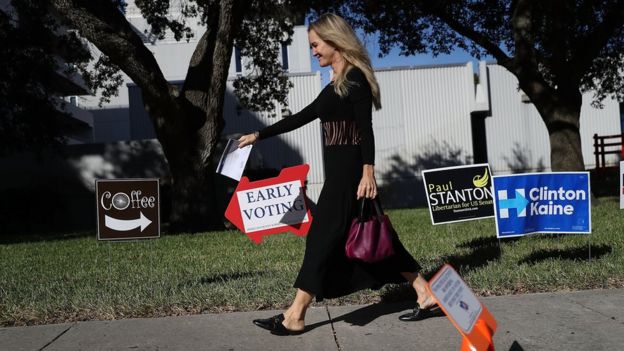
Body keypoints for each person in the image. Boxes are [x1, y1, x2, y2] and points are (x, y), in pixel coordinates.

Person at [237, 13, 440, 335]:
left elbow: (366, 130)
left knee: (321, 238)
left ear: (334, 41)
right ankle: (425, 293)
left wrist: (368, 172)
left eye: (316, 45)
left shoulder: (355, 78)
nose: (314, 51)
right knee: (377, 237)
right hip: (340, 174)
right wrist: (258, 135)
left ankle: (295, 315)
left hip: (350, 175)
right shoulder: (336, 81)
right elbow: (303, 116)